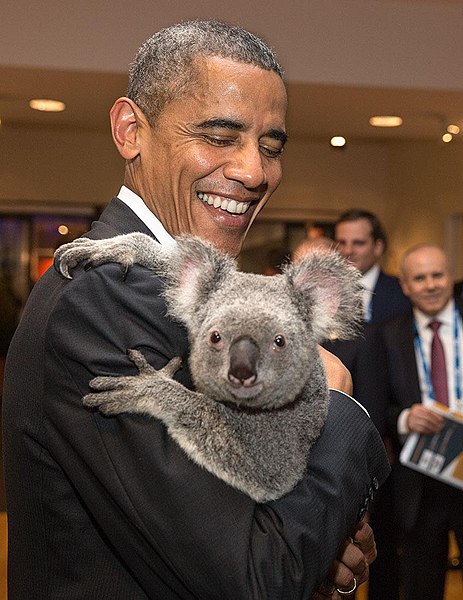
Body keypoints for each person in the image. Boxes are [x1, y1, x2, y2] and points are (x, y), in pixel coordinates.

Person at [2, 21, 389, 599]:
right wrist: (338, 405)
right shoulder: (106, 298)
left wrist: (319, 539)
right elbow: (255, 579)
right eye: (219, 135)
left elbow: (239, 513)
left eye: (271, 146)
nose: (255, 172)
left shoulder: (195, 297)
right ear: (132, 131)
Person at [322, 210, 410, 600]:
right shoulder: (325, 291)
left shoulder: (400, 294)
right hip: (329, 431)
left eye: (359, 243)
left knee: (384, 549)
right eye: (342, 242)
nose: (350, 251)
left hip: (390, 441)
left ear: (378, 246)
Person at [379, 243, 463, 600]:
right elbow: (374, 407)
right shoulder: (384, 336)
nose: (430, 285)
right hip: (418, 481)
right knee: (420, 586)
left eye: (437, 275)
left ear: (451, 277)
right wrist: (403, 418)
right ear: (405, 285)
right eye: (420, 278)